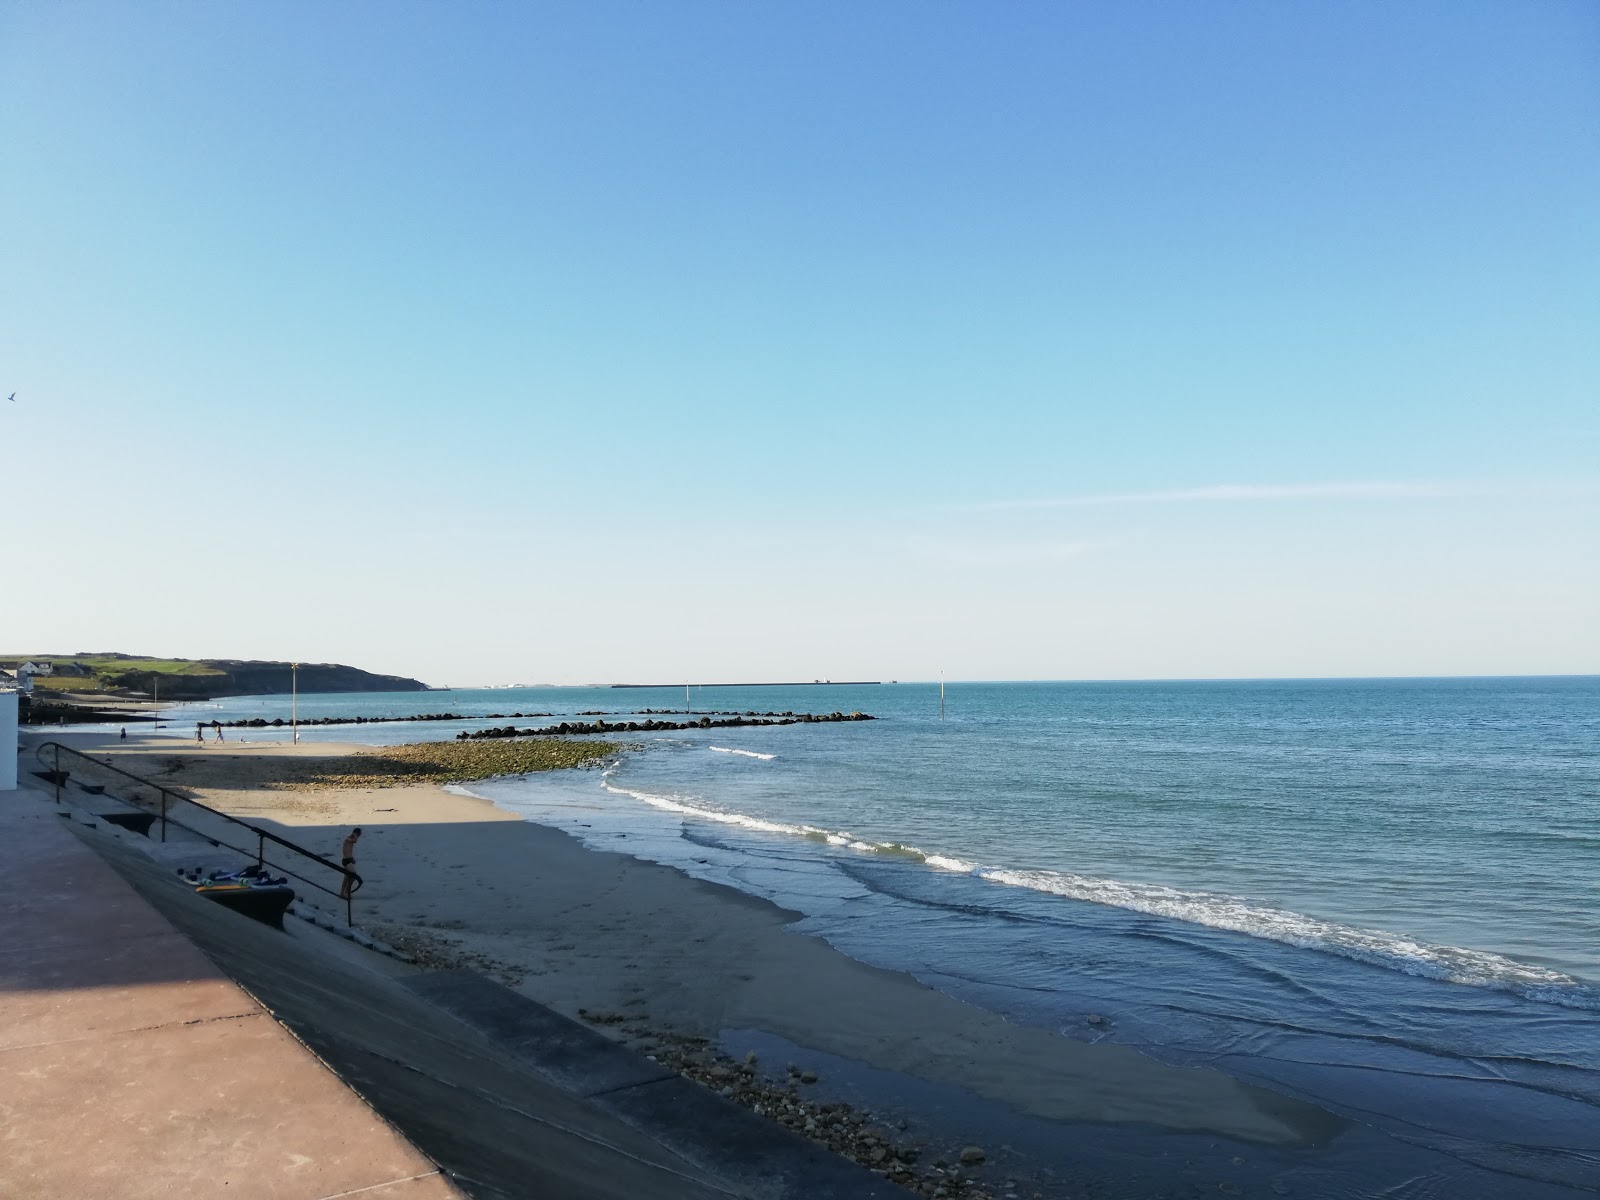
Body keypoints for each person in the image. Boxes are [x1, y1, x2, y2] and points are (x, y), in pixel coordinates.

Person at [338, 827, 362, 900]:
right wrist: (355, 835)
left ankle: (342, 893)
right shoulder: (348, 839)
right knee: (353, 875)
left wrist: (352, 859)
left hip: (348, 860)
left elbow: (348, 851)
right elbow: (354, 841)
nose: (358, 837)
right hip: (346, 861)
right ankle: (346, 891)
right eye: (358, 835)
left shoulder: (350, 840)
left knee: (346, 877)